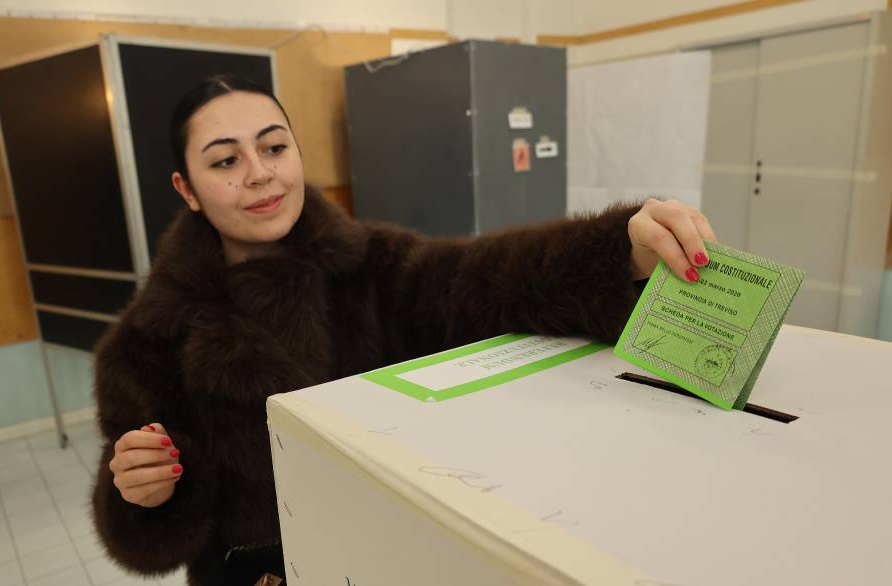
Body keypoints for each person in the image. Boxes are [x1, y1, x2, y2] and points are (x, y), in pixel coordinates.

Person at [91, 74, 717, 585]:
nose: (259, 173)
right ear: (187, 189)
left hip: (396, 554)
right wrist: (140, 490)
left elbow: (486, 281)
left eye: (274, 147)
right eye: (226, 160)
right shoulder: (144, 344)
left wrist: (617, 251)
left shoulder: (374, 266)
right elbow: (141, 534)